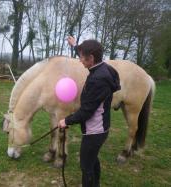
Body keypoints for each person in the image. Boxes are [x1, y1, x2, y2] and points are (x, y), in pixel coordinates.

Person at [58, 36, 121, 187]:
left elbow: (86, 112)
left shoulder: (98, 80)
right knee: (92, 159)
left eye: (82, 57)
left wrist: (65, 121)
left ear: (91, 58)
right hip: (100, 128)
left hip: (95, 131)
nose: (80, 60)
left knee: (86, 166)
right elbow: (86, 54)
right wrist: (76, 46)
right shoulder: (103, 68)